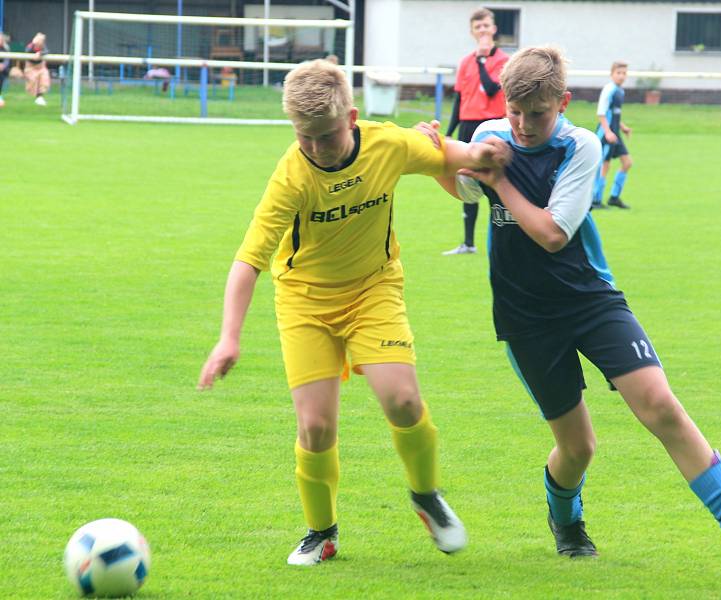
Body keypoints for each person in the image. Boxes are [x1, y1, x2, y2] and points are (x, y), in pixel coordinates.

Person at [425, 45, 721, 581]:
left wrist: (499, 180)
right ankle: (566, 520)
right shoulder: (491, 135)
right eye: (514, 111)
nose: (524, 125)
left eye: (538, 114)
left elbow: (554, 234)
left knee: (662, 407)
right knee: (577, 448)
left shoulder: (579, 146)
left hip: (589, 301)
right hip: (525, 317)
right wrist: (437, 153)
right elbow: (460, 185)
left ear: (564, 103)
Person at [197, 59, 509, 566]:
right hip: (305, 301)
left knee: (403, 400)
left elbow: (459, 156)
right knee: (316, 428)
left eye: (326, 135)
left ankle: (427, 497)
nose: (316, 148)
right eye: (305, 137)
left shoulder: (388, 144)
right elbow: (249, 259)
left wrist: (485, 150)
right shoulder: (292, 176)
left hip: (373, 289)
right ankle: (321, 532)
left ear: (352, 117)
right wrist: (229, 337)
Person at [442, 7, 509, 256]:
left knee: (494, 182)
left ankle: (503, 239)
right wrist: (450, 132)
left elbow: (492, 89)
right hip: (468, 125)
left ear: (494, 29)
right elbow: (460, 101)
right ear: (472, 31)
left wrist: (482, 60)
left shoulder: (502, 60)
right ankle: (468, 243)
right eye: (477, 27)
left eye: (486, 26)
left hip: (491, 125)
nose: (482, 30)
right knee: (465, 177)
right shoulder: (464, 62)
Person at [592, 61, 632, 209]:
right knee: (604, 165)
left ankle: (614, 198)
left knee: (627, 163)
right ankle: (596, 200)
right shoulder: (608, 90)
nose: (622, 76)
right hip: (606, 133)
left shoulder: (620, 91)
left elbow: (615, 114)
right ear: (612, 74)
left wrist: (623, 127)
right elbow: (601, 114)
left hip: (615, 133)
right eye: (618, 73)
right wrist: (608, 132)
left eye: (624, 73)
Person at [24, 32, 50, 106]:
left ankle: (40, 97)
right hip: (30, 66)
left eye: (41, 42)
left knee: (44, 79)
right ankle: (34, 95)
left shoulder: (43, 46)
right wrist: (33, 46)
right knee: (33, 79)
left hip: (41, 66)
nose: (39, 44)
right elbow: (27, 51)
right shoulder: (31, 46)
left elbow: (47, 51)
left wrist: (40, 53)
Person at [0, 33, 10, 108]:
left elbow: (7, 59)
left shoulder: (6, 48)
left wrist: (3, 66)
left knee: (1, 77)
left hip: (2, 70)